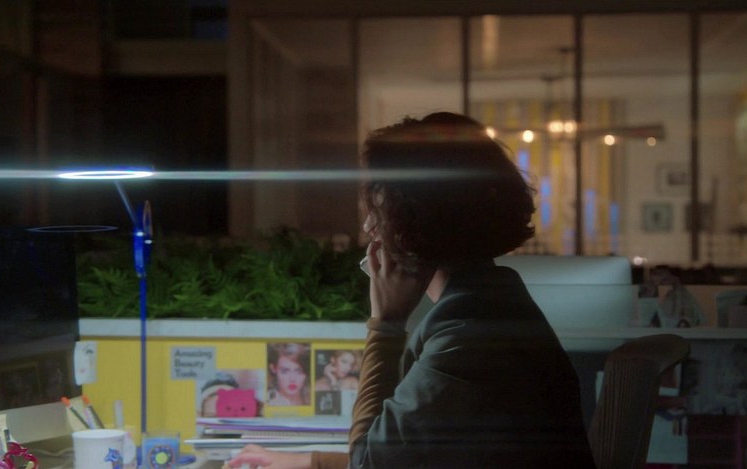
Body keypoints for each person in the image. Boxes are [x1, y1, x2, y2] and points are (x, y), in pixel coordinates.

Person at [226, 112, 594, 468]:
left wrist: (385, 326)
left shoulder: (467, 341)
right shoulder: (490, 307)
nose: (369, 228)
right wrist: (311, 462)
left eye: (378, 210)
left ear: (413, 221)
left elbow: (370, 464)